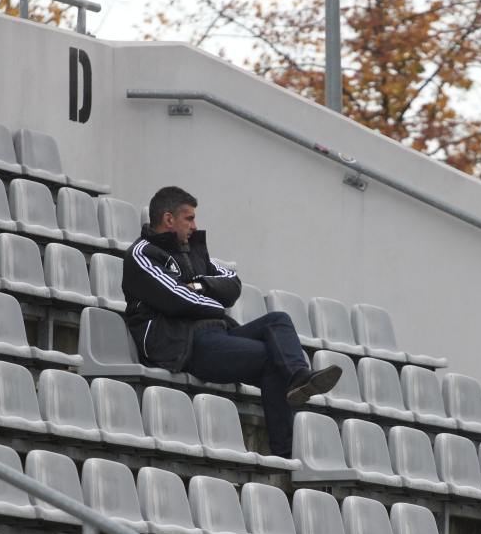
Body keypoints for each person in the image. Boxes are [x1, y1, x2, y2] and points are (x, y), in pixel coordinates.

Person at [122, 186, 342, 458]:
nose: (194, 225)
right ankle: (284, 452)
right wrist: (210, 300)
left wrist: (198, 285)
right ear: (169, 219)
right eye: (189, 219)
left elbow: (233, 285)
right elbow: (177, 299)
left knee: (278, 320)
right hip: (181, 345)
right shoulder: (142, 254)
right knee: (271, 359)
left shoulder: (193, 252)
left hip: (215, 335)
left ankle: (299, 377)